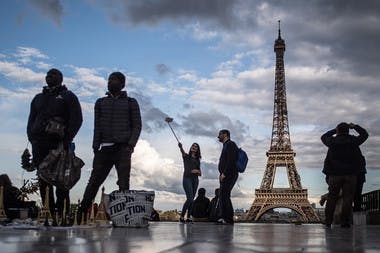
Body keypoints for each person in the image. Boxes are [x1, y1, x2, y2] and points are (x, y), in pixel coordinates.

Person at [77, 71, 142, 224]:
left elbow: (137, 125)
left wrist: (130, 145)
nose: (110, 82)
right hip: (104, 149)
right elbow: (97, 126)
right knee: (94, 182)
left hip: (123, 149)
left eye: (114, 79)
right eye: (109, 79)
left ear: (122, 84)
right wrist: (95, 146)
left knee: (123, 183)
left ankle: (124, 218)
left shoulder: (131, 102)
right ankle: (80, 215)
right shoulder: (100, 102)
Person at [27, 68, 83, 223]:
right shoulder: (38, 98)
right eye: (47, 74)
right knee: (43, 180)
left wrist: (66, 138)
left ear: (61, 78)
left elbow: (77, 119)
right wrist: (32, 137)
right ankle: (48, 213)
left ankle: (62, 213)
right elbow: (31, 120)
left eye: (53, 74)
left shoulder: (68, 96)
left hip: (58, 144)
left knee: (61, 180)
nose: (49, 76)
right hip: (39, 144)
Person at [321, 122, 368, 228]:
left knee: (332, 197)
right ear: (348, 130)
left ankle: (328, 221)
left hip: (334, 174)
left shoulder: (332, 141)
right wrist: (355, 126)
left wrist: (334, 130)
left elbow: (324, 136)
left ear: (338, 130)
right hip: (351, 174)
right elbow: (365, 134)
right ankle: (345, 222)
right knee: (348, 198)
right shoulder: (353, 141)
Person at [217, 129, 239, 224]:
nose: (218, 136)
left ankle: (228, 218)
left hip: (229, 174)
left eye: (219, 134)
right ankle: (224, 217)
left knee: (225, 195)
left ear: (225, 134)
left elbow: (231, 160)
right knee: (223, 195)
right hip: (226, 174)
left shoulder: (230, 144)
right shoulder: (226, 145)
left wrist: (224, 173)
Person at [178, 142, 202, 223]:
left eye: (196, 146)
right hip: (187, 178)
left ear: (198, 149)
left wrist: (198, 171)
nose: (194, 147)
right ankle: (182, 216)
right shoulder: (186, 157)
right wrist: (181, 147)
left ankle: (188, 217)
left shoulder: (198, 160)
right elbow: (182, 152)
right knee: (190, 199)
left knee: (192, 199)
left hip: (195, 180)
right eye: (193, 145)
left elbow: (200, 172)